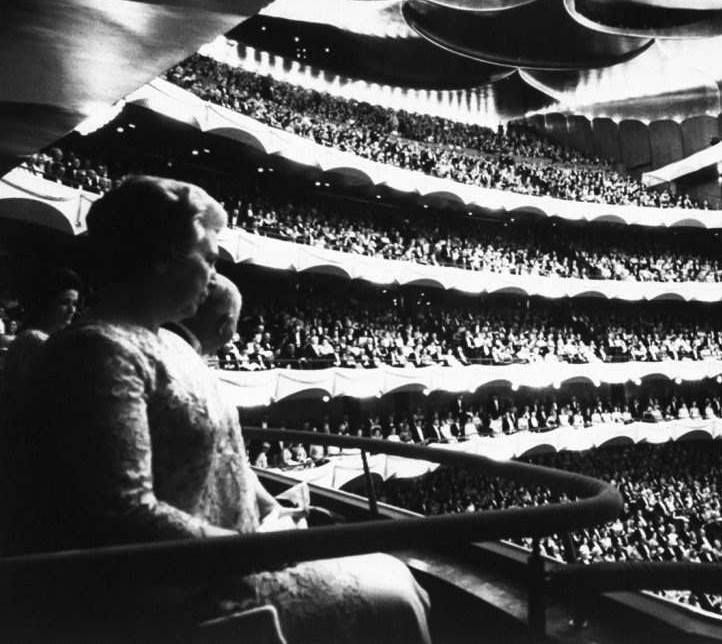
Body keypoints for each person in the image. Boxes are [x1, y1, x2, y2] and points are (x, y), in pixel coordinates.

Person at [2, 177, 431, 643]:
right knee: (393, 590)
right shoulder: (98, 350)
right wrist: (253, 550)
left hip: (228, 561)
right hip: (174, 595)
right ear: (163, 255)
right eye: (207, 257)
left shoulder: (169, 341)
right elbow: (123, 513)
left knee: (393, 577)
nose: (213, 274)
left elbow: (227, 458)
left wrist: (272, 512)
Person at [0, 265, 81, 401]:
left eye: (75, 303)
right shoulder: (34, 341)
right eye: (64, 303)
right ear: (45, 304)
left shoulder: (48, 338)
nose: (72, 310)